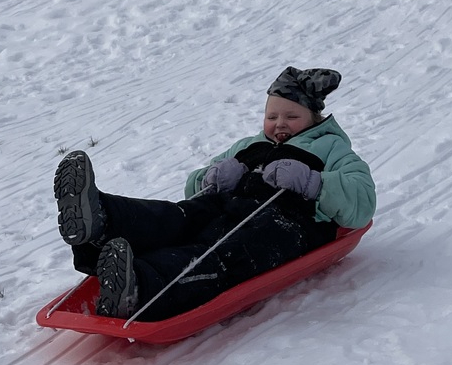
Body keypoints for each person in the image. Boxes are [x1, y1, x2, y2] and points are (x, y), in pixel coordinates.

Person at [53, 66, 376, 322]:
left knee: (221, 250)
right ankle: (101, 221)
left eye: (291, 117)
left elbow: (362, 204)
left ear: (314, 117)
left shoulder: (331, 147)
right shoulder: (250, 146)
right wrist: (213, 176)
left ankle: (138, 285)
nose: (280, 124)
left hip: (284, 224)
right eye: (271, 116)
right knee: (178, 217)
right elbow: (195, 188)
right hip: (222, 206)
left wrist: (312, 182)